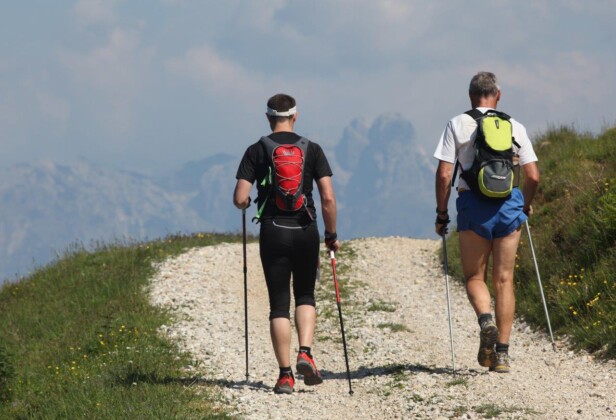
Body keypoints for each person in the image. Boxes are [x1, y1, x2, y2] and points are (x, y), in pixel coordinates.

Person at [233, 93, 341, 394]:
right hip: (306, 229)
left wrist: (249, 202)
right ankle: (305, 352)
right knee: (305, 294)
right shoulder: (313, 149)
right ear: (295, 116)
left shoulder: (257, 150)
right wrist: (331, 236)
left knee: (278, 303)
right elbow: (328, 198)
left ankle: (284, 376)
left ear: (268, 118)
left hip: (273, 230)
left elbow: (240, 198)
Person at [433, 72, 540, 373]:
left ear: (470, 96)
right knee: (504, 279)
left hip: (473, 206)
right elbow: (533, 176)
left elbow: (443, 175)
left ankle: (485, 320)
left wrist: (442, 213)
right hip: (508, 206)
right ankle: (502, 355)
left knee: (474, 277)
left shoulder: (457, 124)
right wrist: (525, 205)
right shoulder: (514, 126)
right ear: (498, 95)